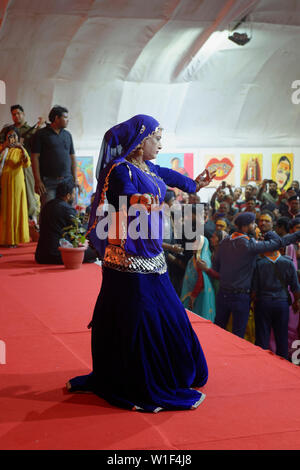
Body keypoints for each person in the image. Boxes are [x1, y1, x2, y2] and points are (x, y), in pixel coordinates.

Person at [66, 114, 216, 412]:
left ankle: (172, 370)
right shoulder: (120, 170)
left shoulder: (149, 168)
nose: (160, 144)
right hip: (128, 257)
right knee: (137, 317)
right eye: (156, 138)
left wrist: (197, 182)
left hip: (152, 255)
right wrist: (142, 201)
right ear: (140, 140)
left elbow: (178, 181)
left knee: (170, 313)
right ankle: (131, 377)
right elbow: (122, 195)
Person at [213, 212, 300, 338]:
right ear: (245, 227)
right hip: (240, 296)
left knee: (218, 330)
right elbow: (280, 242)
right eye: (253, 223)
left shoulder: (224, 242)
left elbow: (216, 267)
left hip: (222, 293)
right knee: (238, 336)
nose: (255, 226)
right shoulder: (250, 245)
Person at [252, 231, 300, 359]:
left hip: (263, 303)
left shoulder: (259, 264)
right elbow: (296, 287)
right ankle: (282, 366)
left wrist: (252, 303)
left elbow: (254, 290)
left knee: (262, 337)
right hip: (282, 304)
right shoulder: (288, 263)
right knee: (282, 338)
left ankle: (262, 364)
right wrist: (296, 302)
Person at [0, 104, 44, 225]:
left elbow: (38, 144)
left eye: (19, 113)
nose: (16, 116)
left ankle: (31, 217)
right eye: (14, 114)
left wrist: (39, 126)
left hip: (26, 164)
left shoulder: (32, 129)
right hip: (9, 165)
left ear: (23, 114)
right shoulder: (7, 130)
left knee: (29, 191)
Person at [35, 181, 97, 265]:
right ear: (68, 196)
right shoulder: (66, 209)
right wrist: (87, 221)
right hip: (57, 255)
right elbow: (80, 233)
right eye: (74, 194)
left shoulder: (47, 206)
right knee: (94, 252)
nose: (74, 196)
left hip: (40, 256)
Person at [31, 105, 79, 208]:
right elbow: (34, 157)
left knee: (69, 212)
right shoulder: (41, 134)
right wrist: (38, 181)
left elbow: (72, 157)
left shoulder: (67, 135)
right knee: (49, 212)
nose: (68, 120)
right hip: (48, 182)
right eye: (65, 117)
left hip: (67, 181)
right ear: (56, 118)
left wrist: (76, 178)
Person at [0, 126, 31, 247]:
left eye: (14, 136)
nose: (12, 138)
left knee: (16, 209)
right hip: (3, 183)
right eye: (10, 136)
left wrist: (22, 148)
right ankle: (4, 239)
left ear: (18, 137)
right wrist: (4, 148)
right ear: (6, 137)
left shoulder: (20, 150)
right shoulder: (2, 148)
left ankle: (14, 239)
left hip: (17, 184)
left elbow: (27, 164)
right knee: (4, 209)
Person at [181, 236, 216, 321]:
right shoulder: (194, 259)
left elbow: (201, 281)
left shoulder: (201, 261)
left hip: (198, 296)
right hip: (191, 294)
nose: (193, 245)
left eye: (196, 243)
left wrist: (193, 297)